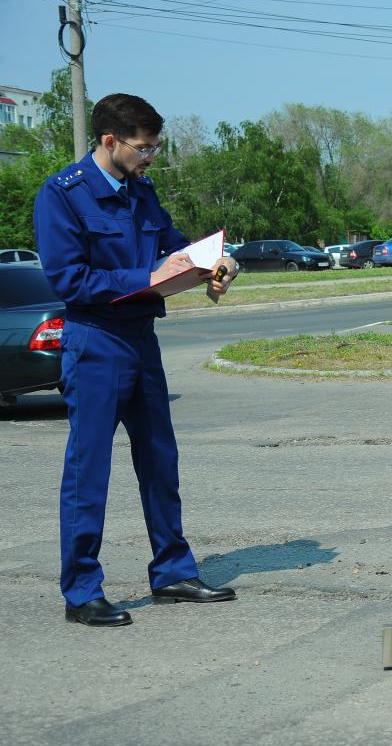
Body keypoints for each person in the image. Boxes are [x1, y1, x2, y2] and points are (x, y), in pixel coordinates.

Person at [34, 94, 239, 627]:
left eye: (154, 149)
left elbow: (177, 249)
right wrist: (144, 279)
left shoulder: (141, 194)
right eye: (143, 149)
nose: (150, 158)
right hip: (93, 341)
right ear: (109, 141)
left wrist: (215, 264)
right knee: (89, 470)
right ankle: (82, 592)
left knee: (159, 460)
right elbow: (68, 280)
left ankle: (172, 571)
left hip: (141, 341)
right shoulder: (62, 196)